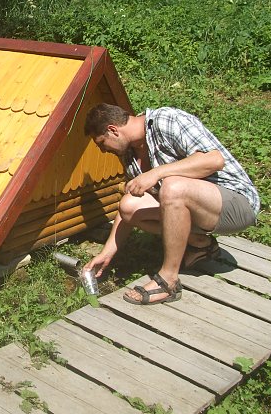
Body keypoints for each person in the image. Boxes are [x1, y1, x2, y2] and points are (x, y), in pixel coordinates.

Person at [83, 104, 260, 305]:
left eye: (101, 143)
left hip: (236, 203)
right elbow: (127, 214)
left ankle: (168, 282)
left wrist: (157, 173)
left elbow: (214, 160)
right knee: (129, 206)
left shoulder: (166, 120)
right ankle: (200, 245)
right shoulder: (130, 155)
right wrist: (106, 253)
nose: (103, 150)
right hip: (200, 210)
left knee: (173, 187)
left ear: (113, 130)